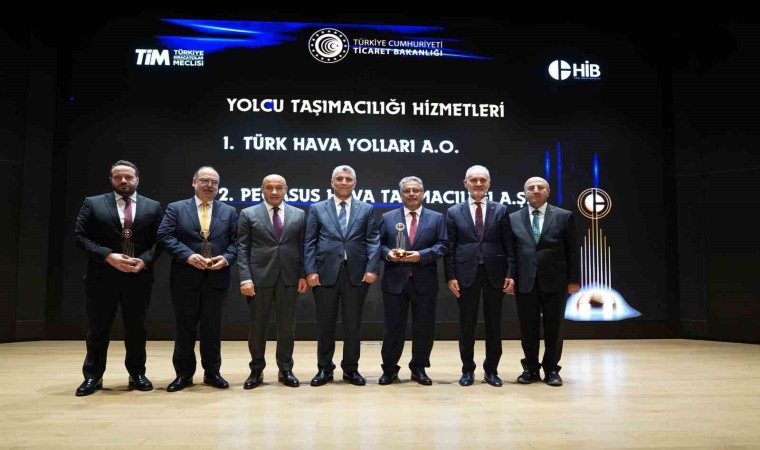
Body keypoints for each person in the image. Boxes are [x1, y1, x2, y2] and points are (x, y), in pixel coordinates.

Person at [73, 160, 163, 396]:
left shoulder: (153, 206)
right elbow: (80, 236)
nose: (124, 181)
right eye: (118, 177)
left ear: (137, 179)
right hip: (102, 277)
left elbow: (160, 240)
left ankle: (137, 374)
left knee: (137, 329)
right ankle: (93, 376)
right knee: (98, 329)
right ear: (111, 179)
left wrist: (144, 260)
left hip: (138, 277)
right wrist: (107, 255)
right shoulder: (93, 203)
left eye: (128, 177)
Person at [157, 166, 238, 392]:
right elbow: (164, 235)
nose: (209, 185)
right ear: (194, 182)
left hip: (217, 277)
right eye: (204, 181)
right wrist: (187, 255)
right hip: (185, 277)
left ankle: (212, 373)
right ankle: (183, 375)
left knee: (213, 329)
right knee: (185, 329)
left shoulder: (229, 211)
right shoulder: (176, 208)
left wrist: (227, 258)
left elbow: (236, 242)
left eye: (214, 182)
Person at [304, 165, 380, 386]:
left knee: (353, 324)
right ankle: (324, 369)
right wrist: (310, 270)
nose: (344, 182)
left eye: (348, 179)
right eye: (339, 178)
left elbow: (372, 240)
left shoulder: (366, 209)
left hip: (356, 274)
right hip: (324, 273)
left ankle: (351, 369)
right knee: (325, 324)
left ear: (355, 183)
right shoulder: (317, 208)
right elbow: (309, 242)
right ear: (332, 182)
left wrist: (372, 268)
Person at [444, 165, 515, 387]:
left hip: (495, 273)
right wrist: (450, 276)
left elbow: (509, 245)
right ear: (465, 183)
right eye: (473, 180)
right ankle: (467, 370)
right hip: (465, 274)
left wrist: (511, 273)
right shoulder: (454, 211)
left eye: (482, 180)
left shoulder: (501, 210)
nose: (478, 184)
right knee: (467, 324)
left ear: (489, 183)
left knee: (494, 324)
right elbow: (450, 247)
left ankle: (491, 371)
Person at [237, 174, 308, 389]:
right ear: (262, 189)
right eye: (269, 187)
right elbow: (242, 248)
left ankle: (285, 369)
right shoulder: (248, 213)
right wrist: (245, 278)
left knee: (287, 327)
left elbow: (303, 247)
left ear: (286, 189)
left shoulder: (299, 214)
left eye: (279, 187)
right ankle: (256, 369)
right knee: (258, 327)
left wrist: (303, 274)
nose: (274, 191)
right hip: (258, 278)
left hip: (289, 277)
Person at [509, 176, 580, 387]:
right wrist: (510, 277)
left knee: (554, 328)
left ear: (548, 192)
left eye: (541, 187)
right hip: (525, 281)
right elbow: (511, 252)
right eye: (531, 188)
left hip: (556, 281)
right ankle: (530, 369)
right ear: (525, 193)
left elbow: (572, 251)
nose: (536, 190)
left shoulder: (564, 216)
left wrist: (573, 280)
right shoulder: (513, 218)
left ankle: (552, 370)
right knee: (528, 328)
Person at [378, 176, 447, 386]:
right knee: (393, 328)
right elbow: (378, 245)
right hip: (395, 281)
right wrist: (388, 254)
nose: (411, 194)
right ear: (401, 194)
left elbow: (443, 245)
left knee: (424, 328)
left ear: (423, 193)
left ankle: (419, 368)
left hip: (424, 281)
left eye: (415, 190)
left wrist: (421, 255)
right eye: (407, 191)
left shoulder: (436, 218)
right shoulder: (388, 217)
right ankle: (390, 369)